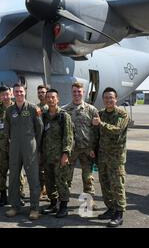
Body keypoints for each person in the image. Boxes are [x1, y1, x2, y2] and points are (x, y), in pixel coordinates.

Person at [5, 83, 43, 221]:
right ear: (13, 93)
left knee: (33, 177)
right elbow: (7, 129)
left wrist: (36, 146)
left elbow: (40, 129)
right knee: (14, 176)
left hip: (30, 147)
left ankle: (34, 208)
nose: (19, 94)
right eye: (16, 92)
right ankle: (14, 206)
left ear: (25, 92)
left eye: (21, 91)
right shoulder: (9, 111)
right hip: (15, 147)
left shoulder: (33, 108)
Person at [93, 87, 129, 228]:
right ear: (103, 99)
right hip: (102, 156)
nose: (108, 100)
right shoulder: (100, 113)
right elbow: (96, 134)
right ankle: (110, 209)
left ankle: (119, 214)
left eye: (111, 97)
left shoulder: (122, 114)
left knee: (117, 184)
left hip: (116, 157)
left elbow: (117, 131)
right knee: (105, 184)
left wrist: (101, 124)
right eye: (106, 98)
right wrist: (93, 149)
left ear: (116, 98)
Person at [41, 89, 74, 219]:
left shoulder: (64, 116)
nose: (50, 100)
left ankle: (64, 207)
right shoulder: (44, 116)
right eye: (48, 97)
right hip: (47, 156)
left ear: (57, 99)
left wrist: (65, 154)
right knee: (49, 182)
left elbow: (68, 136)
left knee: (61, 182)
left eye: (53, 97)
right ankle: (53, 204)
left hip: (59, 156)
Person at [63, 83, 99, 201]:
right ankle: (63, 202)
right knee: (66, 176)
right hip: (71, 149)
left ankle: (89, 202)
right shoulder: (65, 110)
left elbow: (96, 131)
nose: (77, 94)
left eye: (79, 91)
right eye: (74, 91)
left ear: (84, 93)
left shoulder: (91, 110)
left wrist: (94, 148)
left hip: (87, 149)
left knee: (88, 178)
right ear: (71, 92)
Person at [37, 84, 49, 200]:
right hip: (40, 143)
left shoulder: (52, 107)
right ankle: (42, 189)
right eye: (39, 92)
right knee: (40, 168)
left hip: (51, 143)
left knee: (50, 168)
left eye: (43, 92)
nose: (41, 94)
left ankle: (51, 191)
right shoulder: (36, 108)